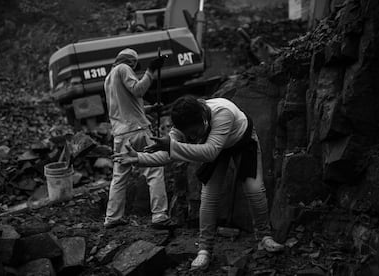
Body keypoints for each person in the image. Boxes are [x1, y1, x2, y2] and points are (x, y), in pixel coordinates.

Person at [113, 96, 284, 270]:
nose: (193, 137)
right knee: (209, 196)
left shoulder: (222, 113)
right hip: (215, 149)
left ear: (203, 116)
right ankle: (204, 250)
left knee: (254, 189)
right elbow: (168, 153)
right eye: (189, 135)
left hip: (241, 141)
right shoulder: (182, 124)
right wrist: (139, 158)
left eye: (195, 132)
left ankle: (264, 237)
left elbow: (209, 152)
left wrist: (172, 146)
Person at [103, 48, 175, 230]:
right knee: (155, 170)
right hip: (138, 131)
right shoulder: (123, 69)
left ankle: (112, 217)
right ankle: (159, 215)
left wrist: (150, 109)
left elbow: (124, 107)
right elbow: (139, 90)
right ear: (132, 62)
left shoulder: (109, 78)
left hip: (120, 134)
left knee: (119, 177)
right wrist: (151, 70)